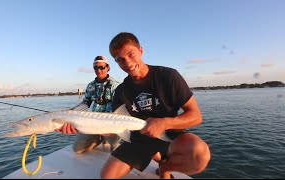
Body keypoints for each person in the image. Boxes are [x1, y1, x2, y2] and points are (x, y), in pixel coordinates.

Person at [56, 32, 211, 179]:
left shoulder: (168, 76)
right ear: (116, 62)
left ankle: (165, 167)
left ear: (141, 50)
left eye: (131, 54)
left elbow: (196, 116)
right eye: (120, 59)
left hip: (170, 133)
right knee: (106, 177)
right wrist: (79, 126)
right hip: (138, 139)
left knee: (200, 155)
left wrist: (164, 123)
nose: (128, 63)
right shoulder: (121, 91)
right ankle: (153, 156)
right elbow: (113, 129)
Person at [59, 55, 121, 153]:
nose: (99, 70)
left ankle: (109, 141)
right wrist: (70, 112)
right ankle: (98, 138)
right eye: (96, 67)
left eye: (102, 67)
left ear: (108, 68)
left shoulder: (116, 86)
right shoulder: (91, 85)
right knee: (77, 149)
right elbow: (85, 103)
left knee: (115, 150)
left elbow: (119, 107)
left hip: (111, 124)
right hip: (93, 124)